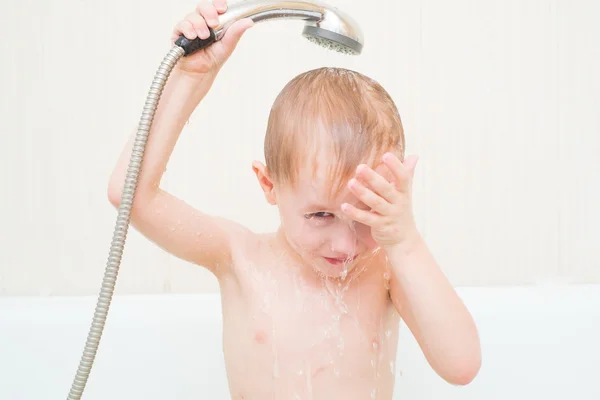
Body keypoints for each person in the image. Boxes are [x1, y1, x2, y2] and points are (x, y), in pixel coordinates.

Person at [108, 1, 481, 398]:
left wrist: (405, 242)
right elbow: (132, 196)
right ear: (269, 185)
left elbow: (461, 366)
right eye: (321, 214)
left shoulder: (385, 271)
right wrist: (190, 76)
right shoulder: (239, 257)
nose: (346, 244)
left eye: (366, 214)